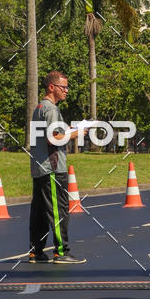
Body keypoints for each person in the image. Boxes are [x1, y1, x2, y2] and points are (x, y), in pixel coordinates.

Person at [29, 71, 87, 264]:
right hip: (52, 168)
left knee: (39, 213)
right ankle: (61, 252)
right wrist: (75, 133)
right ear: (51, 87)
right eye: (63, 87)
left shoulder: (39, 108)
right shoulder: (51, 110)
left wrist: (68, 131)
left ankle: (36, 252)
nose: (66, 91)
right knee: (58, 212)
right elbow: (53, 138)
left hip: (39, 168)